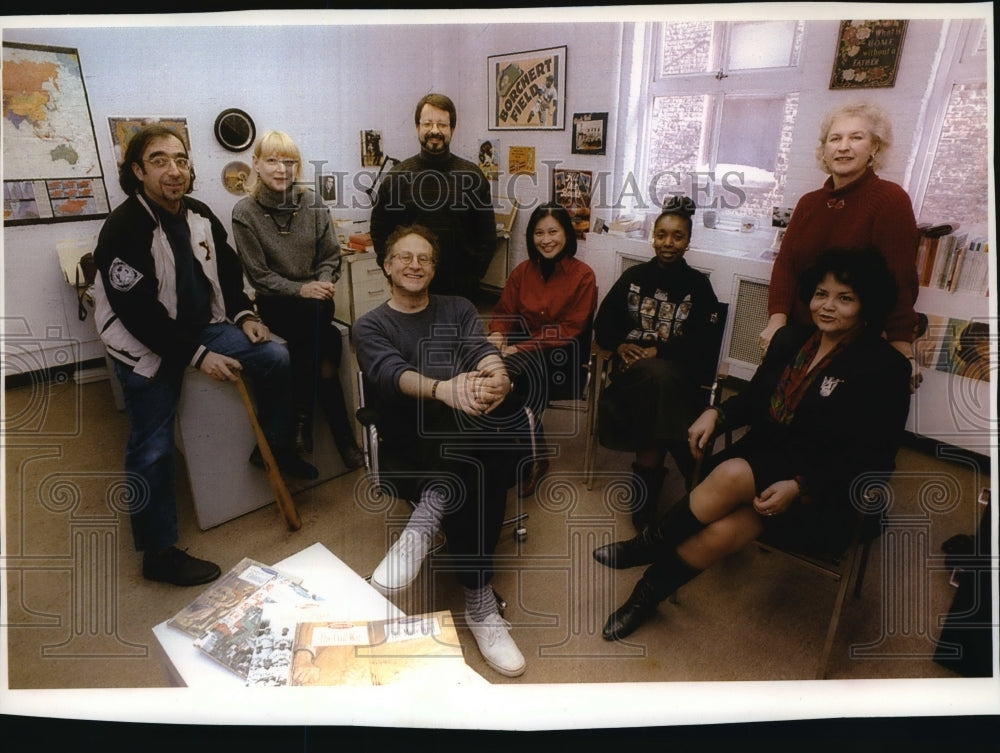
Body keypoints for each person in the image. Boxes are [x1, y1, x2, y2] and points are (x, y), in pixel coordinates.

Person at [593, 247, 912, 642]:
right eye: (820, 294)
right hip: (766, 462)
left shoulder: (885, 369)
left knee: (728, 500)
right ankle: (646, 595)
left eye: (844, 298)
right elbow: (754, 399)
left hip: (825, 491)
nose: (827, 306)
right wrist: (717, 414)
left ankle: (646, 551)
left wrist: (801, 486)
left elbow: (874, 458)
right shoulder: (792, 340)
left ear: (867, 304)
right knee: (727, 509)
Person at [91, 125, 316, 587]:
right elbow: (139, 315)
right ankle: (158, 552)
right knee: (151, 446)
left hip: (205, 326)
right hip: (144, 343)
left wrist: (244, 314)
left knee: (275, 355)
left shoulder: (197, 213)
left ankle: (270, 447)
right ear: (137, 171)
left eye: (181, 160)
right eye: (159, 161)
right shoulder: (123, 227)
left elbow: (229, 275)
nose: (174, 170)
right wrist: (197, 357)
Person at [353, 224, 530, 678]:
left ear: (434, 268)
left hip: (463, 442)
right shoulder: (370, 325)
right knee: (479, 447)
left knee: (481, 430)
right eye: (404, 257)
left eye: (425, 258)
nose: (415, 265)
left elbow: (480, 350)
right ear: (387, 265)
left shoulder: (458, 308)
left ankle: (425, 520)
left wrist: (498, 374)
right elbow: (392, 373)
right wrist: (442, 389)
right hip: (409, 446)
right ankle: (480, 605)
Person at [759, 101, 922, 391]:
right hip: (799, 332)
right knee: (770, 408)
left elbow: (900, 279)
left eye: (856, 137)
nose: (843, 147)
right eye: (835, 139)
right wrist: (776, 322)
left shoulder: (890, 200)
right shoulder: (809, 204)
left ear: (874, 147)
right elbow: (786, 266)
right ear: (824, 150)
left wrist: (901, 346)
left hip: (852, 340)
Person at [231, 130, 364, 470]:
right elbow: (259, 275)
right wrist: (300, 289)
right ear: (256, 165)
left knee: (317, 311)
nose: (281, 169)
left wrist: (320, 282)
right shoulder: (244, 212)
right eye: (272, 160)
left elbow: (330, 258)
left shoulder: (314, 203)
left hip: (316, 302)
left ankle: (298, 422)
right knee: (328, 341)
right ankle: (343, 438)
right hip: (277, 304)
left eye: (290, 162)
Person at [593, 195, 720, 530]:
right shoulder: (634, 277)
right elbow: (603, 325)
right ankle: (688, 457)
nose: (668, 243)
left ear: (688, 241)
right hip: (630, 377)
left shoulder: (698, 286)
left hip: (674, 378)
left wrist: (658, 351)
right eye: (662, 234)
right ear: (653, 236)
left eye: (677, 236)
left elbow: (703, 345)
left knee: (662, 379)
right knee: (658, 382)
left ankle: (645, 496)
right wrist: (620, 345)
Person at [487, 202, 598, 498]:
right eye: (538, 232)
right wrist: (498, 334)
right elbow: (504, 311)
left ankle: (532, 458)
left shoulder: (583, 275)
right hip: (523, 353)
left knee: (516, 379)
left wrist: (521, 347)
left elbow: (571, 328)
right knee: (492, 368)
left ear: (567, 235)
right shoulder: (522, 271)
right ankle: (512, 448)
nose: (546, 239)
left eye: (553, 231)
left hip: (566, 358)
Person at [369, 93, 496, 302]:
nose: (434, 131)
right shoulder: (397, 177)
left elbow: (487, 234)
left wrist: (475, 274)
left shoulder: (472, 176)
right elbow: (380, 230)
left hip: (460, 290)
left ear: (452, 130)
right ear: (417, 128)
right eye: (427, 123)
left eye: (442, 125)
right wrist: (393, 273)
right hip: (410, 287)